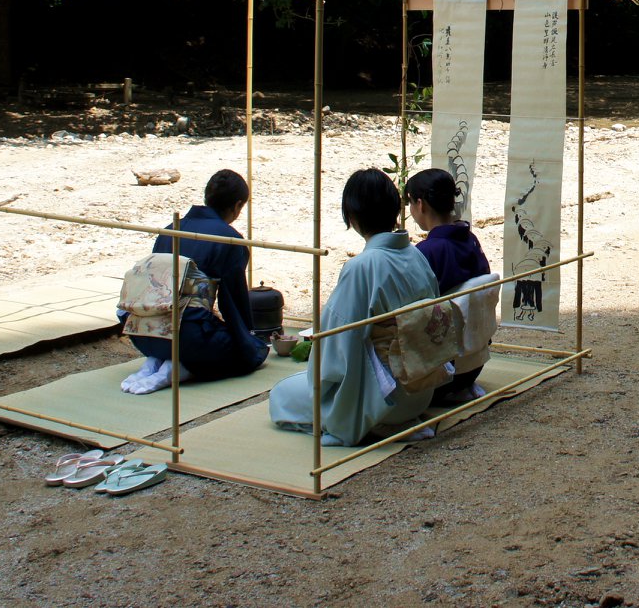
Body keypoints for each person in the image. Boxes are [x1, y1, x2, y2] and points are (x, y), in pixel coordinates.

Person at [268, 168, 442, 445]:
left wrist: (319, 378)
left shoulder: (363, 267)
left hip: (385, 399)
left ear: (351, 217)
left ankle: (366, 426)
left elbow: (338, 342)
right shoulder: (416, 256)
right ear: (396, 211)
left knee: (281, 395)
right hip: (422, 389)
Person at [119, 169, 268, 394]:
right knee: (249, 352)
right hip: (185, 338)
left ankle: (158, 360)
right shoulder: (229, 239)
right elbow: (232, 304)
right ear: (238, 206)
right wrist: (250, 339)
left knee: (192, 325)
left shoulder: (169, 230)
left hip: (141, 333)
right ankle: (181, 365)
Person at [406, 167, 493, 405]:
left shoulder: (428, 252)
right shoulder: (470, 240)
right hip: (473, 363)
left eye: (411, 204)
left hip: (441, 370)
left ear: (420, 204)